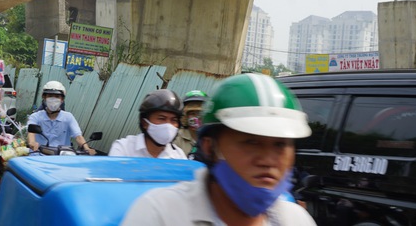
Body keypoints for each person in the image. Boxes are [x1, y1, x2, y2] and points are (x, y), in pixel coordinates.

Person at [121, 73, 316, 226]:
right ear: (209, 147)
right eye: (250, 142)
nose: (268, 160)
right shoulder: (160, 215)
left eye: (280, 145)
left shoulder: (295, 220)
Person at [109, 89, 186, 159]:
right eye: (161, 118)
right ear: (144, 122)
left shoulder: (179, 156)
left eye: (174, 120)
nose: (168, 125)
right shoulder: (123, 148)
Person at [26, 81, 96, 155]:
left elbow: (78, 136)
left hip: (63, 157)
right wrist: (32, 142)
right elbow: (31, 133)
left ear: (62, 99)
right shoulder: (36, 116)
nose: (53, 99)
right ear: (44, 97)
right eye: (50, 96)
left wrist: (87, 148)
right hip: (39, 156)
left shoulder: (68, 117)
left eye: (57, 96)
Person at [173, 90, 207, 156]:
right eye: (192, 113)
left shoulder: (211, 138)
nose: (196, 117)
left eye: (200, 113)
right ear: (185, 116)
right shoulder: (176, 137)